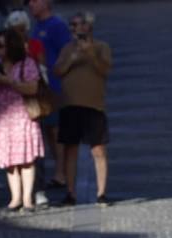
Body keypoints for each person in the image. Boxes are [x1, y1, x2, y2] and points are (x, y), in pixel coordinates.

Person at [55, 11, 112, 206]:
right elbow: (58, 71)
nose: (73, 28)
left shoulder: (102, 47)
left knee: (99, 150)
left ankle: (101, 193)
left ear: (88, 27)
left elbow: (104, 70)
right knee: (70, 150)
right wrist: (72, 57)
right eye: (71, 25)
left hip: (94, 105)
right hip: (70, 105)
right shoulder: (67, 48)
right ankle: (71, 193)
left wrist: (89, 53)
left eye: (77, 24)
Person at [0, 29, 44, 213]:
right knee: (10, 161)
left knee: (26, 160)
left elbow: (32, 88)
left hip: (23, 116)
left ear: (11, 46)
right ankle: (15, 198)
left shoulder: (26, 63)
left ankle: (27, 198)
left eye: (1, 45)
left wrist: (9, 81)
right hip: (4, 119)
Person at [29, 0, 72, 193]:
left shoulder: (57, 26)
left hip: (54, 85)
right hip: (40, 87)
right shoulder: (36, 27)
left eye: (34, 1)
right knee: (47, 130)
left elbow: (67, 52)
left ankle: (61, 172)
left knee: (55, 130)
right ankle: (58, 170)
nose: (30, 4)